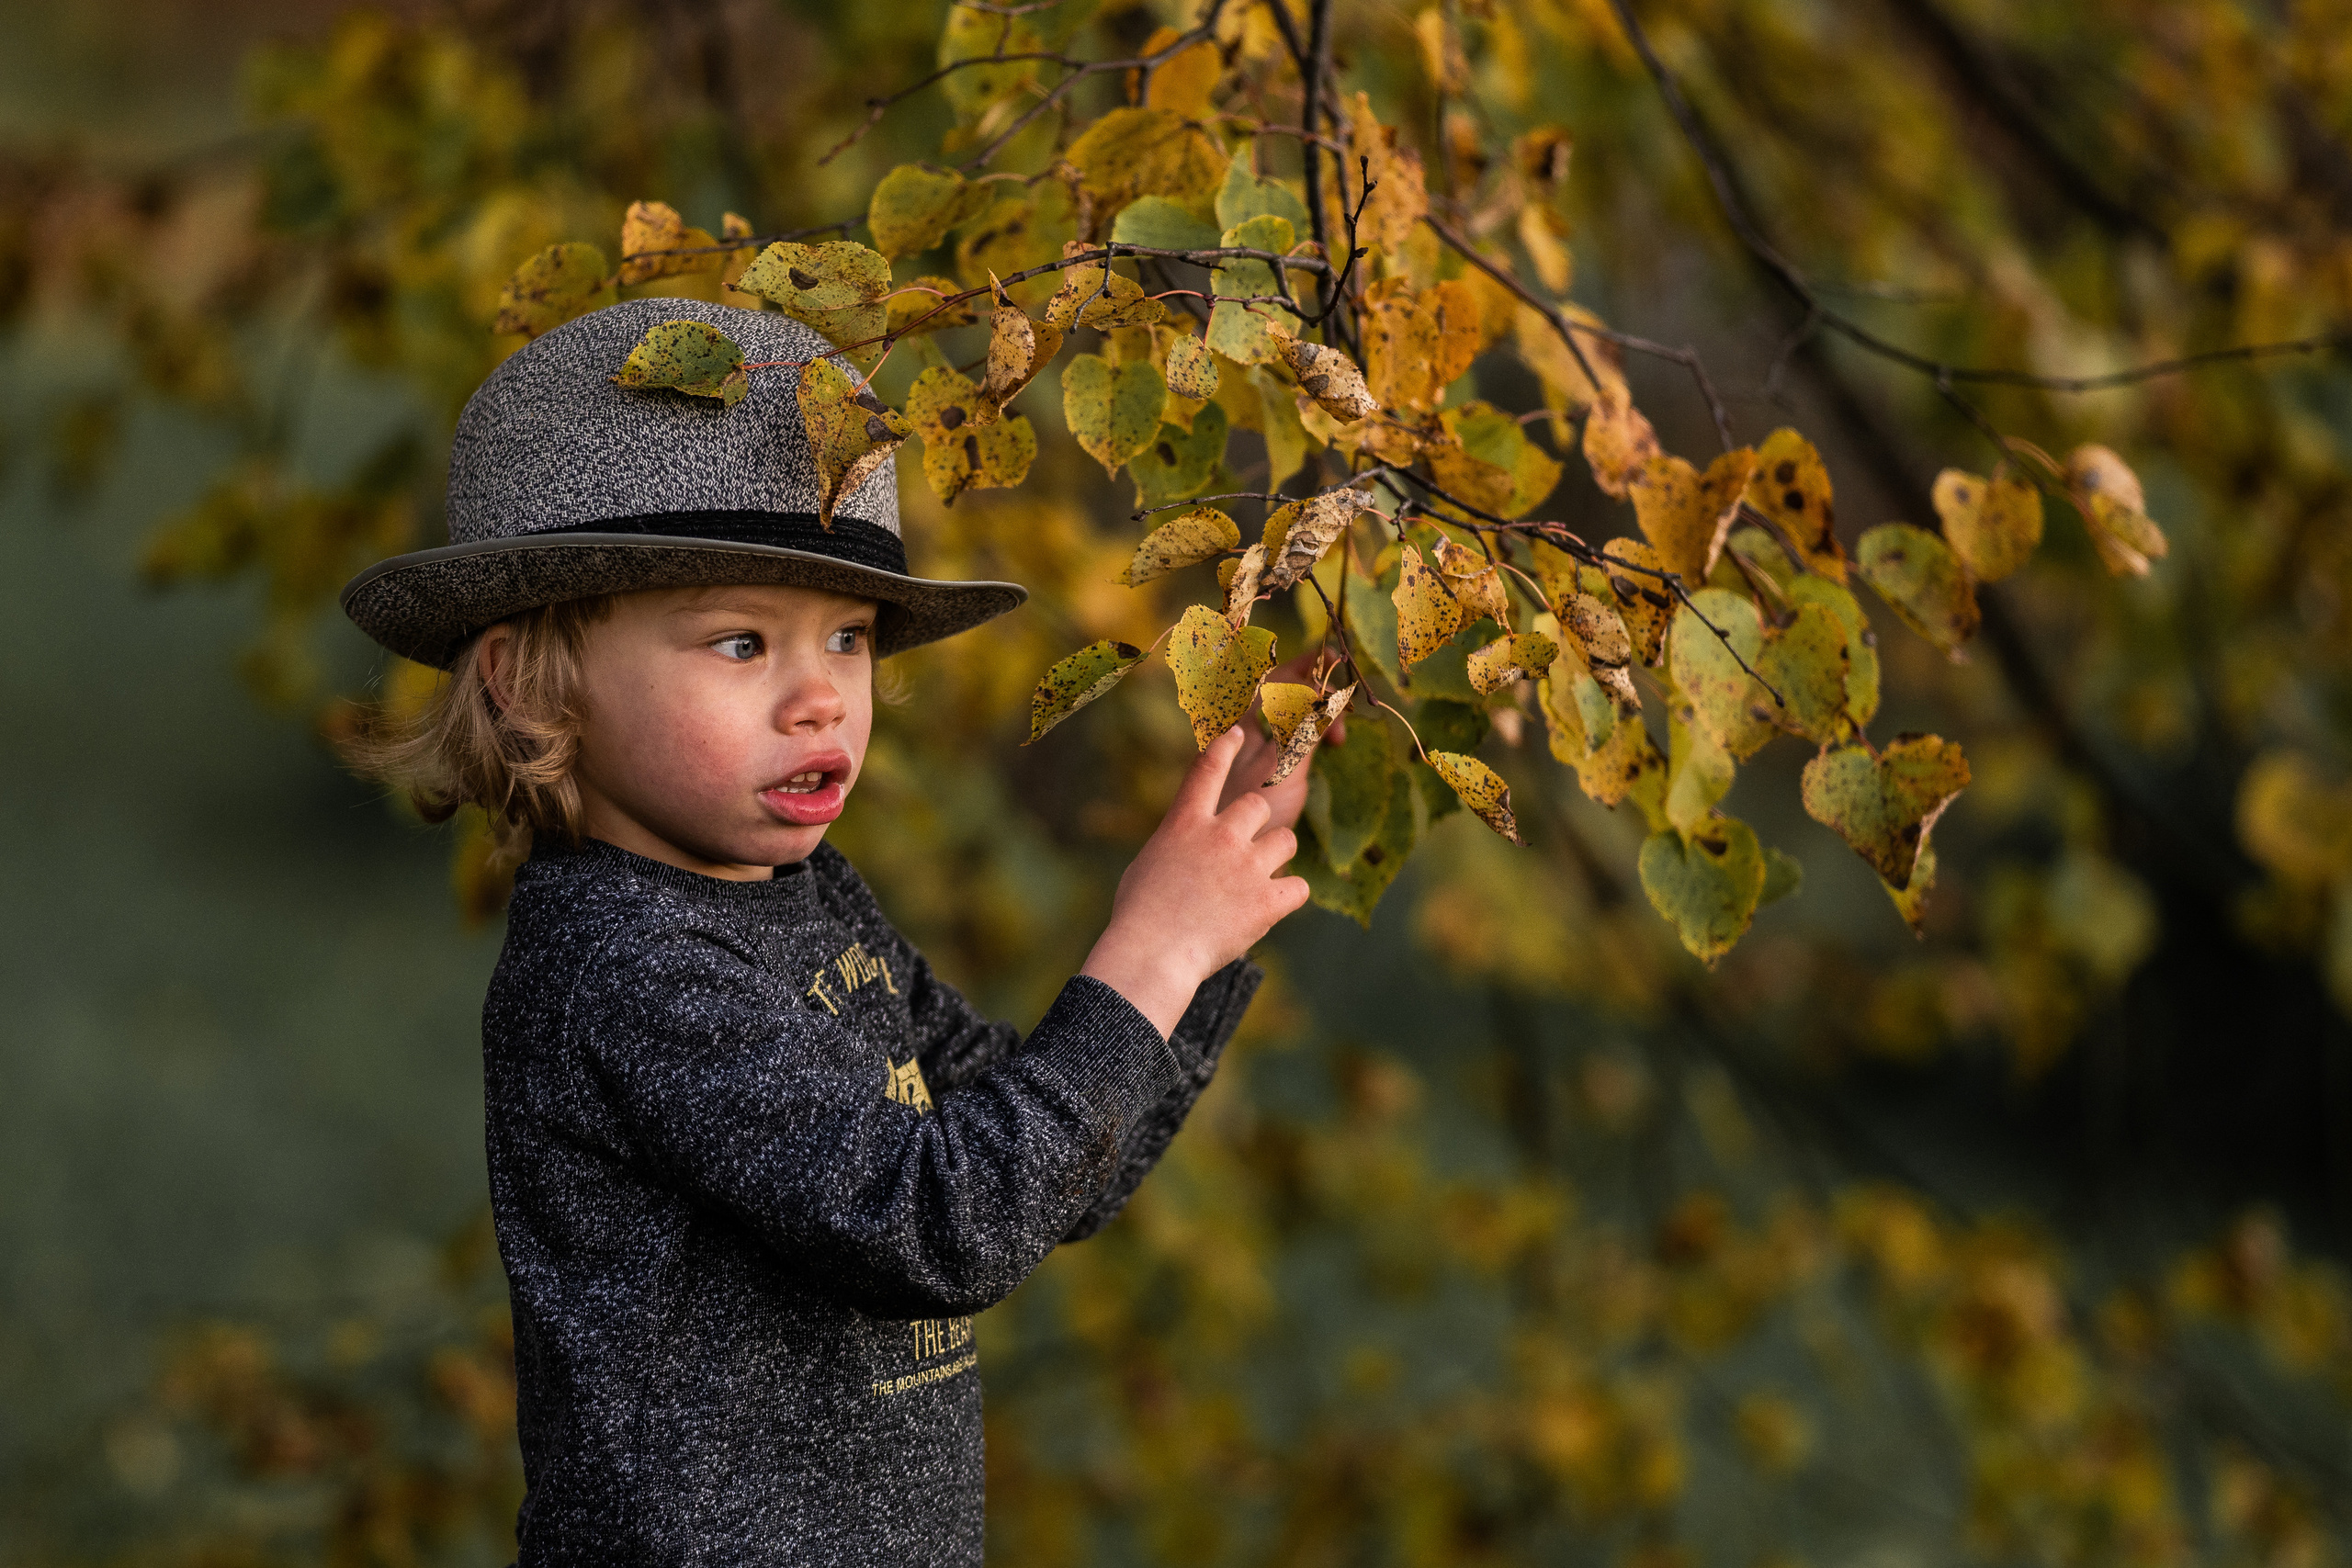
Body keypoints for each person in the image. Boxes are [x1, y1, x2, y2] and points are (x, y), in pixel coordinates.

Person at [338, 297, 1331, 1565]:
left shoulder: (808, 902)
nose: (822, 699)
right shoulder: (622, 964)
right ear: (527, 682)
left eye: (850, 640)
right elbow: (940, 1220)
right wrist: (1155, 948)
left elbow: (1042, 1170)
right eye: (743, 641)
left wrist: (1209, 911)